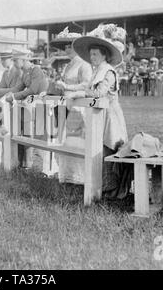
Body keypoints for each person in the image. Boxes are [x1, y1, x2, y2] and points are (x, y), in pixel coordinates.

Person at [68, 24, 130, 199]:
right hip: (98, 115)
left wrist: (80, 92)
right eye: (91, 54)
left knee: (109, 148)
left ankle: (114, 190)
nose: (92, 57)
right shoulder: (96, 71)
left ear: (104, 55)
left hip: (110, 116)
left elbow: (99, 93)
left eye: (95, 54)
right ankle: (102, 187)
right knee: (98, 149)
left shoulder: (108, 72)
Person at [50, 28, 94, 184]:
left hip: (79, 106)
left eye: (70, 46)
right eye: (66, 47)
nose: (67, 49)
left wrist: (68, 88)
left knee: (77, 141)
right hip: (66, 105)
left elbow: (87, 85)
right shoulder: (69, 65)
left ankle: (81, 179)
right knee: (65, 140)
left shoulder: (85, 64)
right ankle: (68, 176)